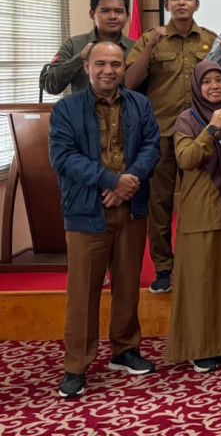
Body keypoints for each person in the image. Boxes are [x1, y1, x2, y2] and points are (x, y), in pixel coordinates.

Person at [49, 42, 161, 399]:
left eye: (115, 63)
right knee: (83, 291)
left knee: (127, 284)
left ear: (123, 67)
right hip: (87, 209)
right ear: (86, 66)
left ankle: (125, 350)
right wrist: (112, 181)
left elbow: (151, 147)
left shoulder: (140, 104)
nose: (108, 70)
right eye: (101, 64)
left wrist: (128, 183)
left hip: (132, 208)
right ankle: (76, 365)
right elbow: (64, 157)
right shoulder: (66, 108)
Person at [124, 0, 217, 294]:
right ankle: (163, 268)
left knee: (200, 202)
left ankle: (194, 264)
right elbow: (130, 83)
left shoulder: (210, 40)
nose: (181, 3)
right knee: (160, 204)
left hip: (200, 134)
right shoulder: (150, 38)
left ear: (196, 4)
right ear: (166, 4)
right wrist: (150, 46)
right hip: (161, 133)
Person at [164, 60, 221, 373]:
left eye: (219, 80)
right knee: (201, 283)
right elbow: (187, 158)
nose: (214, 86)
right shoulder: (187, 119)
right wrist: (211, 129)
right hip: (200, 215)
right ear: (196, 87)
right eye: (207, 82)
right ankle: (201, 348)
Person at [42, 0, 135, 96]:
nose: (112, 16)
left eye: (118, 11)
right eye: (105, 11)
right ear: (92, 14)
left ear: (127, 16)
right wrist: (80, 57)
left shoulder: (135, 48)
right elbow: (50, 85)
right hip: (82, 107)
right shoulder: (73, 45)